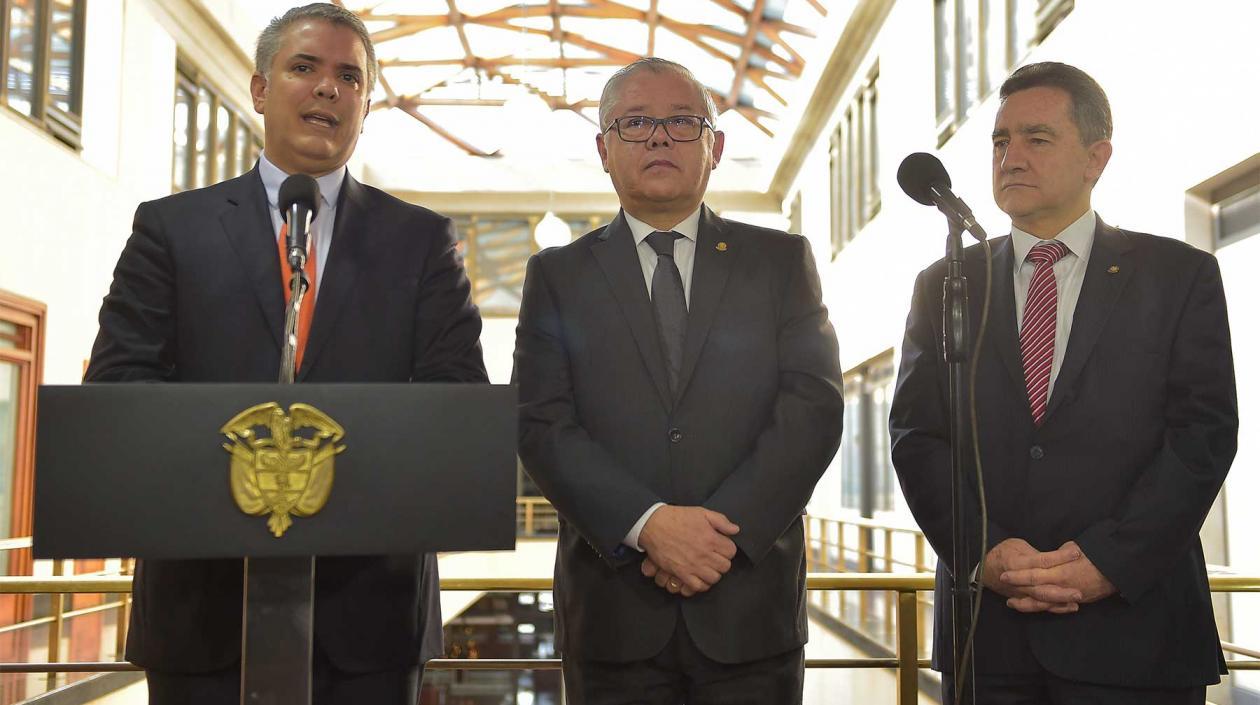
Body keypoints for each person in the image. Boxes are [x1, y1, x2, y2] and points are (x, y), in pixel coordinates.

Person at [84, 4, 486, 703]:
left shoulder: (422, 242)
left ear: (364, 105)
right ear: (261, 89)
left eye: (349, 77)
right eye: (304, 67)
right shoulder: (170, 230)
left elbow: (457, 405)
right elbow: (120, 391)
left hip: (371, 623)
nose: (328, 88)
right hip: (201, 612)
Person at [890, 61, 1237, 704]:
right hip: (987, 635)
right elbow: (916, 436)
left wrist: (1110, 561)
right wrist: (984, 553)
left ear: (1096, 157)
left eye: (1036, 138)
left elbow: (1203, 435)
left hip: (1137, 629)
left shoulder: (1178, 276)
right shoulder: (945, 284)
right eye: (1000, 141)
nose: (1011, 157)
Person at [513, 57, 844, 705]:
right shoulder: (557, 277)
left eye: (681, 122)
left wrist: (723, 535)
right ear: (603, 148)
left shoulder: (780, 263)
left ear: (715, 147)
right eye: (635, 123)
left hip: (750, 611)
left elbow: (813, 406)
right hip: (612, 616)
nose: (659, 137)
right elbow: (541, 422)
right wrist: (648, 525)